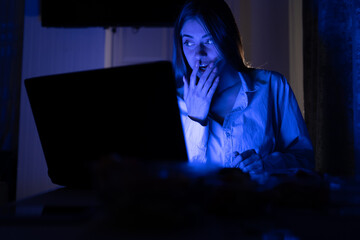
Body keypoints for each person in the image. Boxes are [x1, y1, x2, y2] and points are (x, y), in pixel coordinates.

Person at [172, 0, 314, 173]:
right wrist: (196, 119)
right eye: (188, 43)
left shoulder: (272, 86)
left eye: (209, 41)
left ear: (226, 38)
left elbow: (305, 159)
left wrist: (266, 165)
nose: (198, 54)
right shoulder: (174, 102)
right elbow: (175, 176)